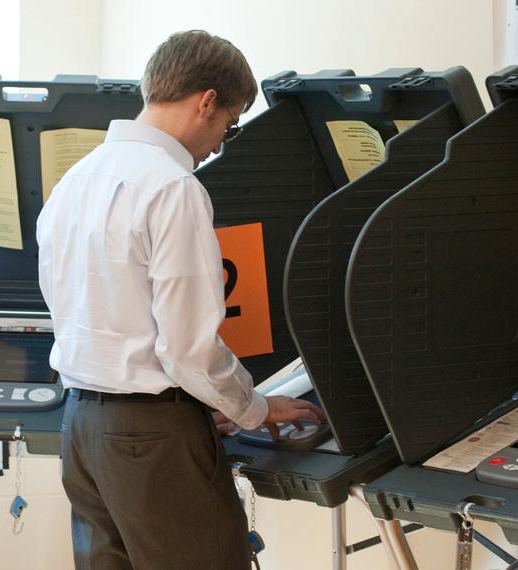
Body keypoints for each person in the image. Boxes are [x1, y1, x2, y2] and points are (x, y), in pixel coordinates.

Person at [37, 30, 324, 570]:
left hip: (81, 429)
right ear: (206, 102)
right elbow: (188, 347)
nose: (219, 143)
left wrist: (203, 403)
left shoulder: (74, 180)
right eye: (229, 125)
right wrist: (251, 409)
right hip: (151, 437)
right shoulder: (172, 187)